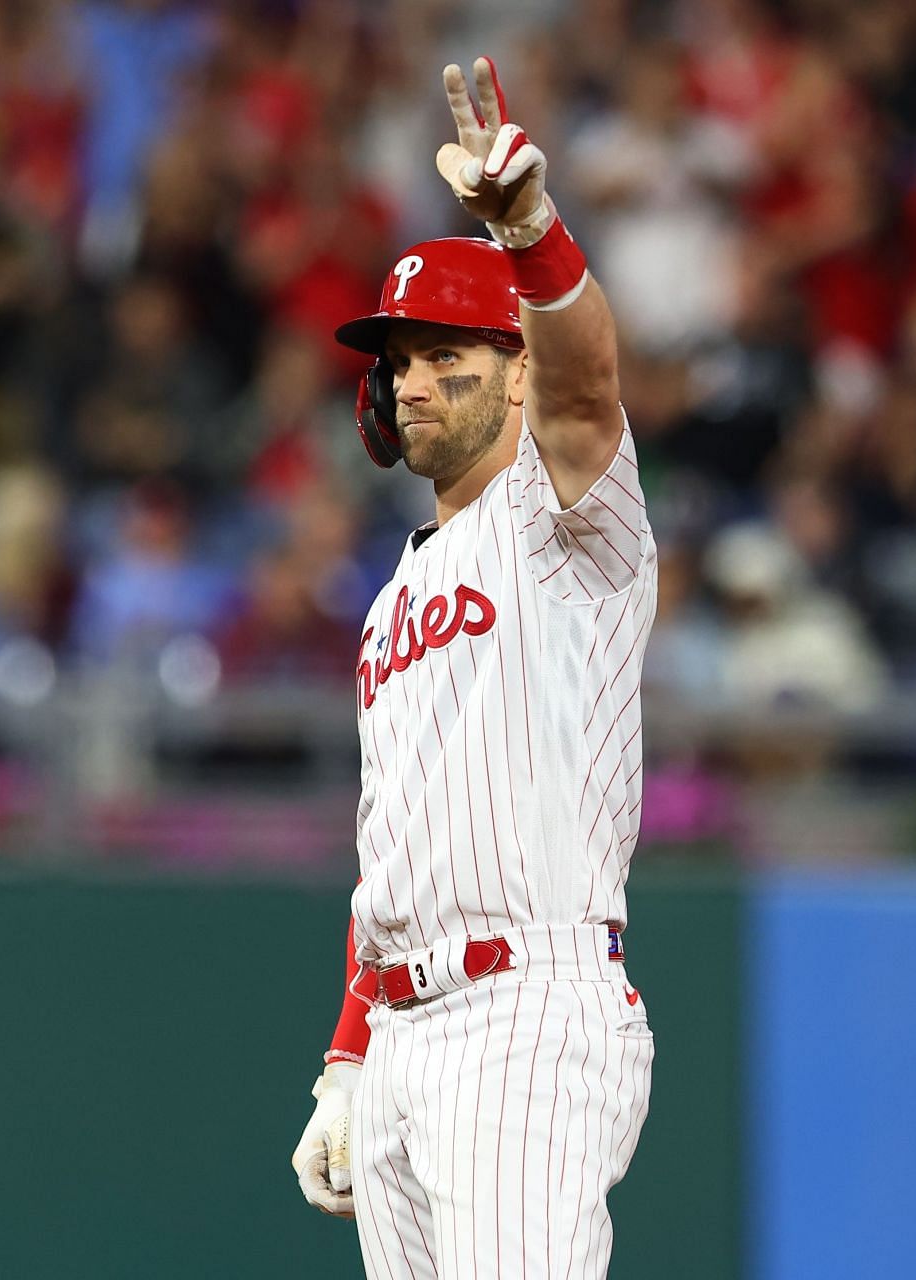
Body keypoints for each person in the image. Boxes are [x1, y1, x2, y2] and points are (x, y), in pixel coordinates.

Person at [290, 58, 658, 1278]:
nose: (414, 376)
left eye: (450, 350)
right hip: (401, 1032)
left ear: (513, 369)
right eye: (399, 357)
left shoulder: (564, 518)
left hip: (527, 1009)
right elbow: (390, 848)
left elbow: (591, 391)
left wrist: (530, 235)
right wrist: (348, 1055)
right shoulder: (389, 597)